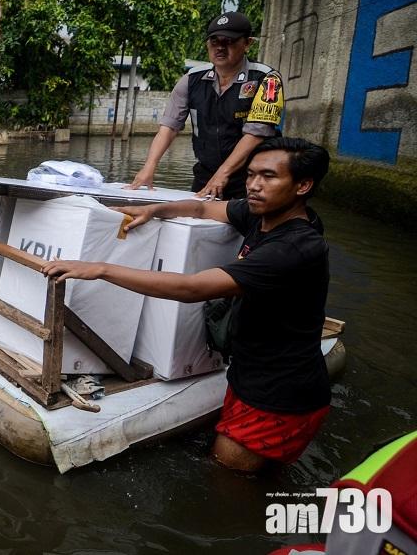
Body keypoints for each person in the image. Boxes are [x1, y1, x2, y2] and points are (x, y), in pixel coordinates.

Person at [44, 137, 331, 472]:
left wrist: (100, 268)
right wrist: (153, 210)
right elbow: (201, 208)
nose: (253, 185)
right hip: (251, 373)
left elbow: (192, 288)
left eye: (268, 177)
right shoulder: (263, 216)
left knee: (228, 478)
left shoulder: (294, 248)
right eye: (251, 174)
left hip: (279, 393)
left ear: (303, 185)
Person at [128, 11, 286, 199]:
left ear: (247, 43)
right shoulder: (192, 79)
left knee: (248, 224)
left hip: (253, 178)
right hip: (207, 174)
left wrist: (222, 174)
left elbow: (256, 133)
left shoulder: (267, 79)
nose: (220, 48)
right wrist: (149, 167)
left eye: (228, 42)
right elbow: (169, 127)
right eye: (214, 42)